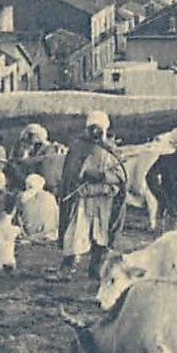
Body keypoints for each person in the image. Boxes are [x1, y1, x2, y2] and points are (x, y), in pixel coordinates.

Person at [60, 111, 127, 279]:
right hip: (81, 200)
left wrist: (102, 177)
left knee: (100, 235)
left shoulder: (111, 150)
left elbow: (120, 177)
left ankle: (95, 268)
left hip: (103, 200)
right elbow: (70, 175)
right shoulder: (77, 147)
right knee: (75, 234)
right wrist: (82, 177)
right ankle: (68, 268)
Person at [15, 173, 60, 243]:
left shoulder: (23, 197)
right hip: (48, 231)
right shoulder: (50, 197)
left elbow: (18, 217)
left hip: (29, 232)